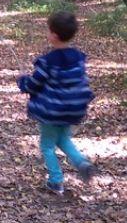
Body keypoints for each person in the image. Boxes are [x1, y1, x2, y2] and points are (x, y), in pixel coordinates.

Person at [17, 11, 97, 194]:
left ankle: (56, 180)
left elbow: (34, 84)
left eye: (48, 30)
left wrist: (22, 81)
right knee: (63, 139)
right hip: (72, 110)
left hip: (52, 112)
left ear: (54, 35)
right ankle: (81, 162)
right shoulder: (78, 58)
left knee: (47, 146)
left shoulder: (48, 62)